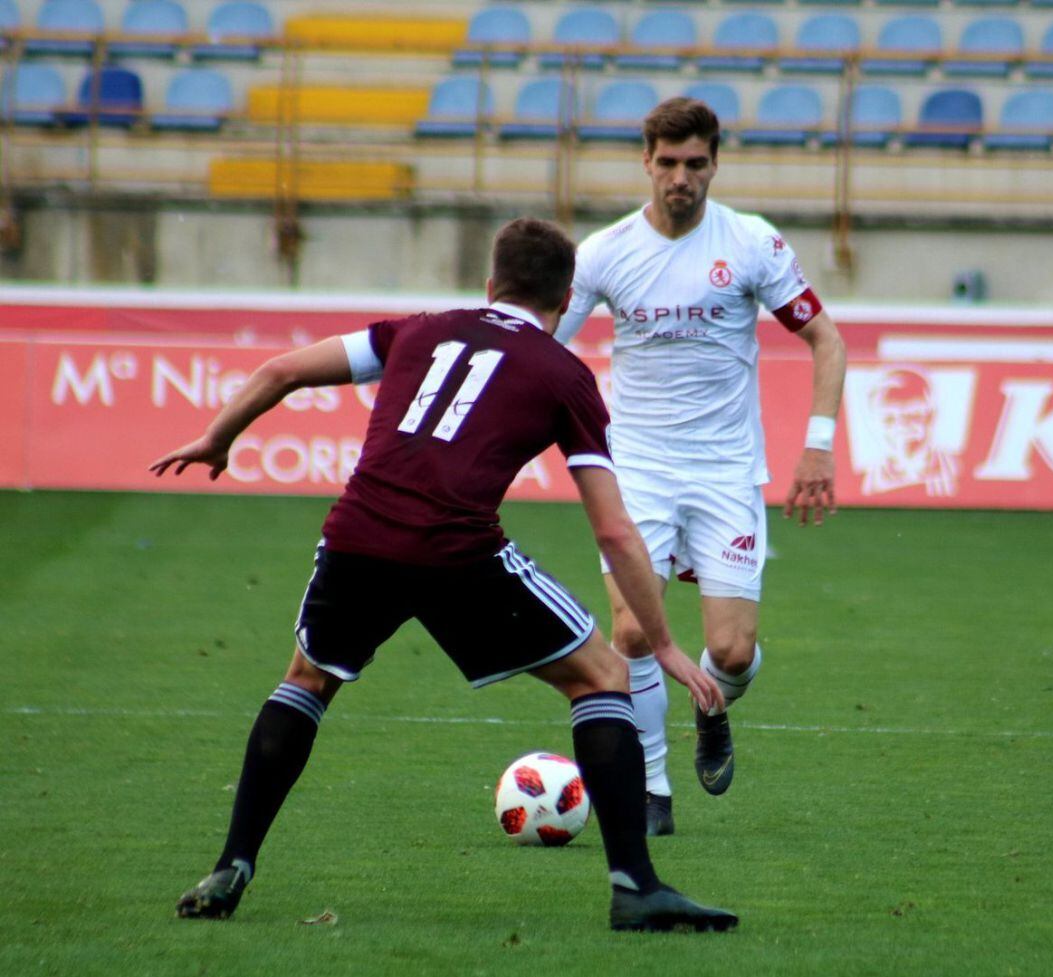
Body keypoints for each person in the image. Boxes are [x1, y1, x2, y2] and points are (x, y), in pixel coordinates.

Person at [150, 217, 737, 933]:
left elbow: (280, 371)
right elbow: (614, 528)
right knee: (605, 677)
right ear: (567, 298)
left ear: (490, 284)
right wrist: (667, 645)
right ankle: (636, 885)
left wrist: (220, 437)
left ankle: (233, 861)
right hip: (457, 551)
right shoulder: (564, 374)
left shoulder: (418, 330)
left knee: (307, 679)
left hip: (358, 536)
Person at [554, 98, 847, 836]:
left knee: (731, 650)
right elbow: (542, 346)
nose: (680, 177)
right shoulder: (605, 252)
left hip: (724, 470)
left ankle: (710, 706)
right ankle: (653, 789)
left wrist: (816, 444)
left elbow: (827, 342)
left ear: (714, 163)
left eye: (695, 163)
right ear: (645, 162)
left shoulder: (751, 243)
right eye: (668, 162)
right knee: (628, 633)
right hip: (639, 470)